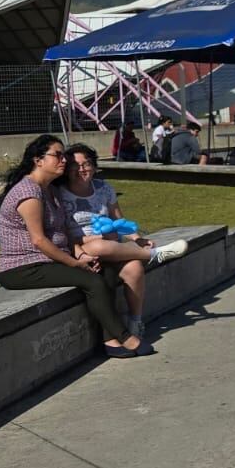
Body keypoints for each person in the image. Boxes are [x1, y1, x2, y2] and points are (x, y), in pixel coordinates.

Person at [0, 136, 154, 359]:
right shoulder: (28, 193)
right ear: (38, 160)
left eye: (64, 156)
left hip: (48, 261)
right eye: (58, 155)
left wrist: (79, 254)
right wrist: (75, 263)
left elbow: (63, 231)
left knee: (107, 272)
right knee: (92, 280)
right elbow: (39, 241)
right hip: (23, 267)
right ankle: (126, 337)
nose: (63, 160)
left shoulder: (50, 190)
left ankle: (110, 341)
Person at [56, 144, 188, 336]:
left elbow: (119, 220)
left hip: (111, 245)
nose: (81, 169)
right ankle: (154, 255)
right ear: (66, 169)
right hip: (80, 247)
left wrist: (138, 239)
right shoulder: (59, 194)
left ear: (94, 166)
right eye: (74, 166)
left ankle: (135, 322)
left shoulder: (104, 188)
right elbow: (62, 234)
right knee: (100, 245)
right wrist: (98, 237)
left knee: (134, 268)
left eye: (86, 164)